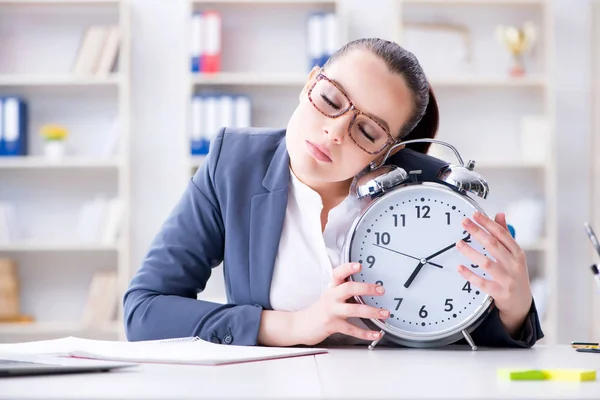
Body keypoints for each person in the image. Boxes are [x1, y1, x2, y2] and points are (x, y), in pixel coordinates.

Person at [123, 38, 543, 348]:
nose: (335, 132)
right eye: (330, 99)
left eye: (368, 131)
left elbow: (472, 332)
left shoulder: (432, 193)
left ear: (389, 151)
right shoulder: (232, 163)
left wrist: (515, 307)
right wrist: (293, 325)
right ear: (310, 83)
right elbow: (144, 312)